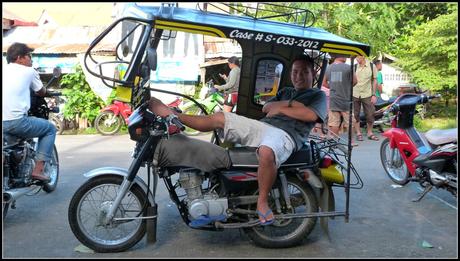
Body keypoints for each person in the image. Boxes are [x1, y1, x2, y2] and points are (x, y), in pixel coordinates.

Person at [149, 54, 327, 225]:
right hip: (263, 127)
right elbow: (267, 107)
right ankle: (174, 115)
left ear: (313, 74)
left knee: (267, 152)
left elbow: (309, 114)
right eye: (295, 72)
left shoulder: (316, 95)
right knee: (220, 117)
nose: (299, 76)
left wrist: (283, 108)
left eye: (304, 72)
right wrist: (289, 105)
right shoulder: (286, 91)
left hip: (285, 135)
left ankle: (262, 202)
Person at [2, 42, 57, 182]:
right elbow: (40, 91)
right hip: (16, 121)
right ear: (19, 58)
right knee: (50, 128)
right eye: (29, 56)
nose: (31, 59)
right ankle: (38, 170)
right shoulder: (29, 71)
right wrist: (48, 92)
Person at [322, 55, 358, 145]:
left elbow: (323, 83)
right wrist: (346, 87)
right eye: (345, 56)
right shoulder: (348, 67)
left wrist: (333, 87)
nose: (346, 58)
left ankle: (335, 140)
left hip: (334, 98)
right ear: (341, 56)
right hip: (346, 98)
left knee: (334, 122)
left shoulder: (328, 68)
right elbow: (355, 81)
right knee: (350, 121)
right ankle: (351, 142)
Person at [352, 55, 379, 142]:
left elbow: (375, 80)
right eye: (355, 57)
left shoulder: (371, 66)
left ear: (363, 56)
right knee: (355, 115)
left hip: (367, 94)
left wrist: (374, 94)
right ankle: (358, 133)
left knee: (370, 114)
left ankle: (370, 132)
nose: (357, 59)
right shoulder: (354, 66)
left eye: (358, 57)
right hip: (355, 93)